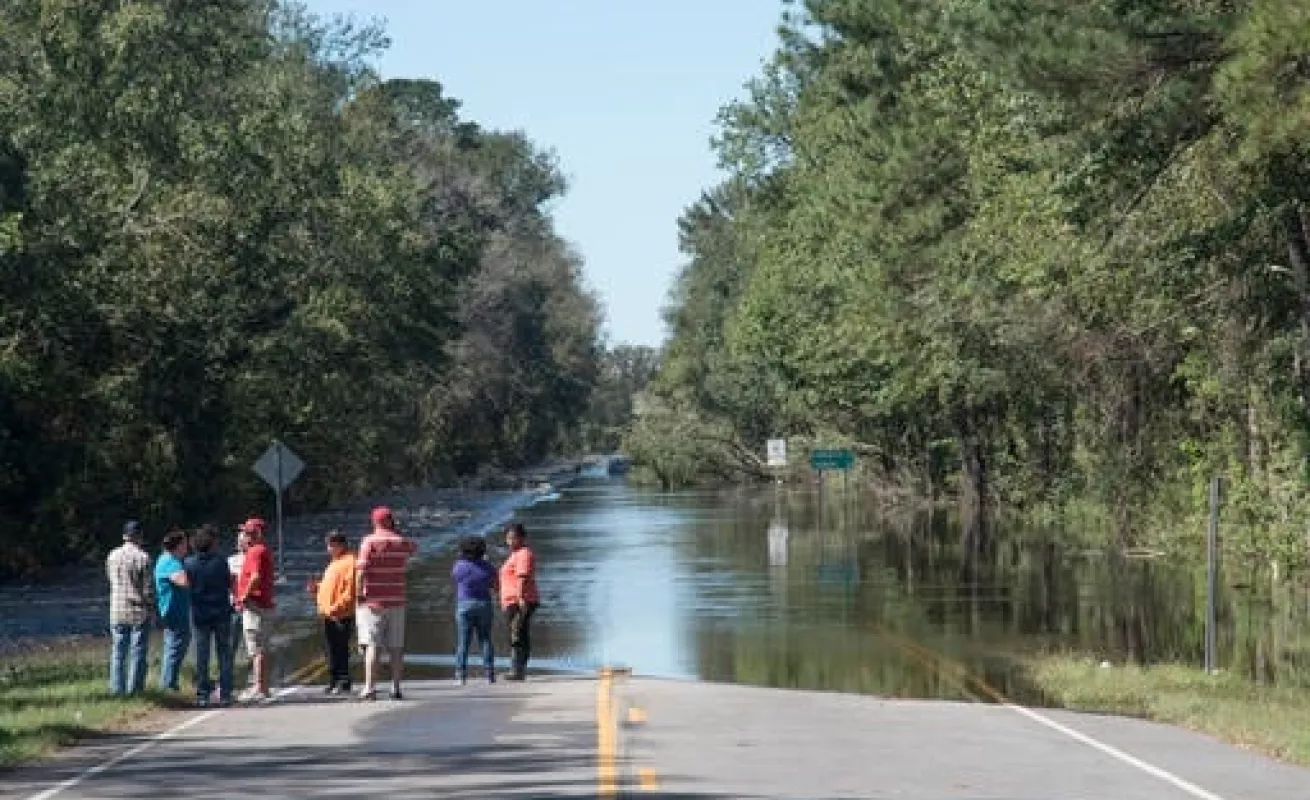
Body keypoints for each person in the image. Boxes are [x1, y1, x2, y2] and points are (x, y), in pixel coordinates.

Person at [355, 506, 417, 701]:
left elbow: (361, 570)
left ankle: (370, 688)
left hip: (373, 601)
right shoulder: (401, 542)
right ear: (391, 521)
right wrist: (396, 532)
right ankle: (396, 687)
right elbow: (413, 548)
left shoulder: (369, 542)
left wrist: (358, 595)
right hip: (397, 600)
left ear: (374, 522)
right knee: (396, 647)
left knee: (373, 645)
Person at [185, 524, 233, 707]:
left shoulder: (189, 563)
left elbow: (187, 586)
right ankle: (226, 693)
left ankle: (203, 694)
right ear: (211, 544)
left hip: (200, 613)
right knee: (224, 653)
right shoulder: (220, 562)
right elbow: (228, 583)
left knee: (202, 655)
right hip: (221, 612)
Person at [107, 520, 155, 696]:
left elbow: (111, 580)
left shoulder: (112, 555)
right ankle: (135, 690)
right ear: (139, 536)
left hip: (117, 610)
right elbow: (148, 589)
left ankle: (116, 689)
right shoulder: (143, 558)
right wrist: (152, 609)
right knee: (137, 653)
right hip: (138, 611)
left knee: (118, 652)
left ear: (124, 536)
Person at [309, 531, 357, 694]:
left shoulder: (350, 562)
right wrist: (318, 588)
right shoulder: (335, 562)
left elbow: (350, 591)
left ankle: (343, 681)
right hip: (329, 614)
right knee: (331, 649)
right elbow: (332, 586)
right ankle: (334, 680)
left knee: (341, 648)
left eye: (330, 546)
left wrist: (336, 607)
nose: (328, 549)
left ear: (340, 545)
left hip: (340, 614)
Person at [235, 517, 276, 703]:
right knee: (261, 648)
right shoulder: (261, 550)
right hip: (263, 605)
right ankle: (262, 687)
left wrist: (243, 595)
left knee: (257, 648)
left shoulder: (255, 551)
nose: (245, 535)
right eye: (245, 532)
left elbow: (256, 577)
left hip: (255, 606)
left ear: (257, 534)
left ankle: (259, 687)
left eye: (248, 532)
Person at [451, 536, 498, 685]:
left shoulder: (459, 566)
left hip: (464, 604)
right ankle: (489, 673)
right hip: (484, 603)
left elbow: (456, 579)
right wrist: (486, 563)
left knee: (463, 641)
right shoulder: (488, 567)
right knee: (485, 639)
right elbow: (495, 586)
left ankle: (460, 674)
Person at [500, 523, 540, 682]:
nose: (510, 541)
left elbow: (522, 577)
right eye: (508, 538)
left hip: (520, 600)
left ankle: (518, 669)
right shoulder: (514, 555)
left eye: (513, 538)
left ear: (522, 538)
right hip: (511, 601)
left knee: (517, 634)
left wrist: (520, 598)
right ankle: (517, 668)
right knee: (517, 633)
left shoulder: (524, 554)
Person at [154, 528, 192, 692]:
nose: (187, 547)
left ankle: (170, 682)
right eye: (185, 544)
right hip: (173, 611)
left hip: (174, 610)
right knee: (175, 646)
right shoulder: (171, 562)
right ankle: (168, 684)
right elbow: (183, 581)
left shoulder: (165, 559)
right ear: (178, 546)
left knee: (176, 645)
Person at [228, 529, 249, 669]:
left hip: (251, 605)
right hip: (234, 605)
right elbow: (228, 583)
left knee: (251, 642)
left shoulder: (254, 558)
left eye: (244, 540)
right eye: (239, 540)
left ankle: (253, 674)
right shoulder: (231, 560)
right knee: (231, 642)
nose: (241, 543)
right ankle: (227, 672)